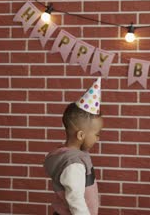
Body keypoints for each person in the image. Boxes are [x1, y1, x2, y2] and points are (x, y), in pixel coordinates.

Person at [44, 78, 103, 215]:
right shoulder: (73, 164)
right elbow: (75, 200)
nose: (98, 138)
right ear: (81, 135)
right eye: (97, 134)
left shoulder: (66, 155)